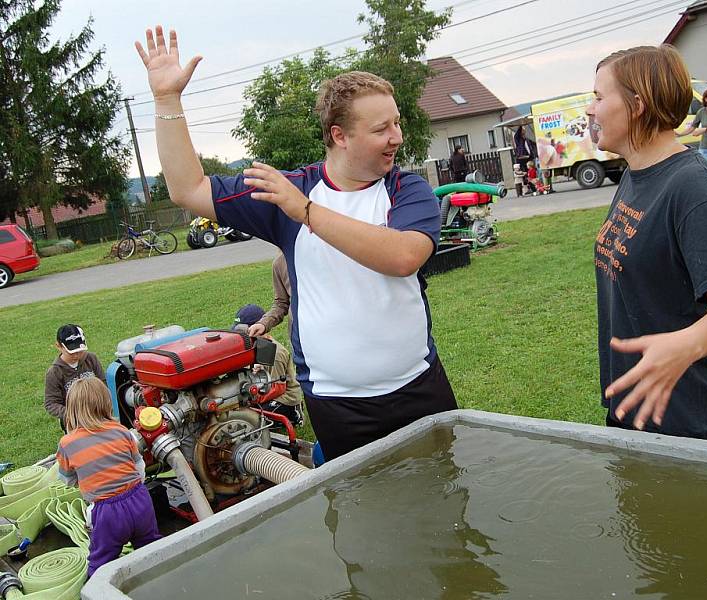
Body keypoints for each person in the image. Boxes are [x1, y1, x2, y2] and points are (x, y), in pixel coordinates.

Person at [135, 26, 457, 461]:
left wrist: (305, 212)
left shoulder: (406, 189)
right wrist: (167, 101)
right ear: (340, 135)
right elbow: (188, 189)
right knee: (365, 516)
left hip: (421, 387)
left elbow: (402, 256)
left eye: (396, 122)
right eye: (382, 128)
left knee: (444, 504)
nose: (397, 136)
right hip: (337, 404)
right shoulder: (289, 191)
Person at [586, 45, 707, 441]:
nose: (591, 110)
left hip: (689, 422)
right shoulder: (636, 174)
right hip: (637, 408)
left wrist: (682, 346)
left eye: (598, 97)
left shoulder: (692, 186)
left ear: (637, 104)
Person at [56, 377, 161, 578]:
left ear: (72, 409)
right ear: (106, 402)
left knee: (101, 563)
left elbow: (67, 480)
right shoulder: (121, 431)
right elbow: (139, 467)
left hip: (107, 512)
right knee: (151, 548)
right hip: (140, 500)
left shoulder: (67, 444)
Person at [232, 302, 304, 426]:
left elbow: (278, 388)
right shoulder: (253, 348)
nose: (241, 336)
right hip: (264, 391)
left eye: (243, 332)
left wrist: (250, 400)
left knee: (253, 420)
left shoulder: (276, 354)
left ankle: (294, 414)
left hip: (283, 398)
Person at [45, 324, 105, 432]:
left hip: (99, 415)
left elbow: (103, 384)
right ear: (58, 346)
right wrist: (73, 414)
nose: (76, 355)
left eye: (79, 351)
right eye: (71, 352)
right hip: (75, 424)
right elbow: (51, 403)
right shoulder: (54, 372)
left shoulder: (91, 359)